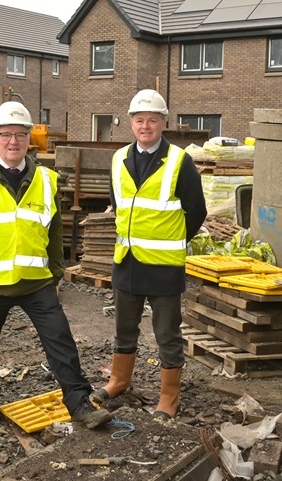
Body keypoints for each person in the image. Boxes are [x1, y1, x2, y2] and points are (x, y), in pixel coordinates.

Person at [0, 101, 112, 432]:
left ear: (29, 138)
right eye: (6, 134)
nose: (13, 141)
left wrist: (56, 275)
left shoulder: (46, 180)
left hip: (36, 284)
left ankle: (78, 402)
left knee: (60, 341)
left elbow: (55, 233)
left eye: (20, 134)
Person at [92, 89, 207, 419]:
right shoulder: (119, 159)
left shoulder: (179, 162)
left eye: (152, 120)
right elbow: (119, 204)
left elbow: (196, 211)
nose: (146, 126)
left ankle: (169, 397)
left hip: (163, 267)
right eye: (140, 120)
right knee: (123, 329)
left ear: (163, 122)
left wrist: (172, 239)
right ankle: (119, 381)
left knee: (167, 335)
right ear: (130, 123)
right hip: (127, 263)